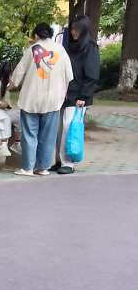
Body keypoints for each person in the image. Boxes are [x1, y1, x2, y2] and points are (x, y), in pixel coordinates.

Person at [8, 23, 73, 176]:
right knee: (48, 136)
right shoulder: (60, 50)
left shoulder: (31, 50)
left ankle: (27, 168)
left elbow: (18, 75)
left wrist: (10, 86)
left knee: (29, 135)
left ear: (36, 35)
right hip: (53, 100)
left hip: (31, 99)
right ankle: (42, 168)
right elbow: (69, 76)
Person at [52, 15, 100, 174]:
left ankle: (68, 163)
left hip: (78, 95)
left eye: (77, 29)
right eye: (72, 28)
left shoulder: (91, 48)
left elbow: (92, 75)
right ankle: (59, 160)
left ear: (84, 30)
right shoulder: (66, 46)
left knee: (69, 127)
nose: (73, 32)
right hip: (63, 93)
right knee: (58, 129)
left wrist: (83, 96)